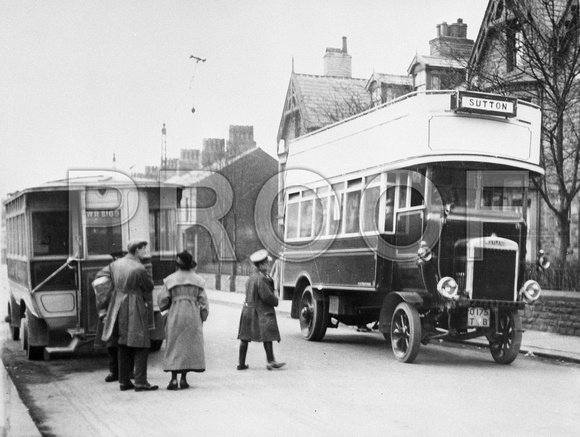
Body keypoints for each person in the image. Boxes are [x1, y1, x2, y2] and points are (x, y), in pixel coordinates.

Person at [97, 239, 158, 392]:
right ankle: (141, 382)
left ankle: (124, 381)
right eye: (144, 249)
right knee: (142, 344)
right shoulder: (140, 268)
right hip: (134, 304)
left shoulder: (115, 264)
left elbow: (99, 278)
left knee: (122, 343)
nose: (145, 252)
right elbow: (149, 286)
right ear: (137, 250)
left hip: (117, 304)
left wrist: (106, 299)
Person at [158, 251, 208, 390]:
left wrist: (165, 309)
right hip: (192, 315)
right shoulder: (198, 280)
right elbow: (204, 302)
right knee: (188, 346)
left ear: (178, 265)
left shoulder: (170, 279)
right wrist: (202, 316)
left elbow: (162, 299)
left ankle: (173, 379)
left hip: (175, 314)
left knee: (174, 344)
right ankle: (184, 379)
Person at [237, 249, 285, 371]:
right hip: (260, 311)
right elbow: (267, 296)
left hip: (247, 310)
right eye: (267, 263)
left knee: (244, 337)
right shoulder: (262, 279)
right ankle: (270, 361)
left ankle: (241, 364)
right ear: (262, 265)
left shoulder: (251, 277)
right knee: (267, 335)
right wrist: (276, 300)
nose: (268, 265)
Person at [93, 250, 135, 383]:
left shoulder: (133, 269)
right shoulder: (106, 272)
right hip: (112, 311)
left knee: (130, 341)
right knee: (112, 343)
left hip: (128, 309)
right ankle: (115, 371)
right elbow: (101, 295)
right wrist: (103, 314)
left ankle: (128, 370)